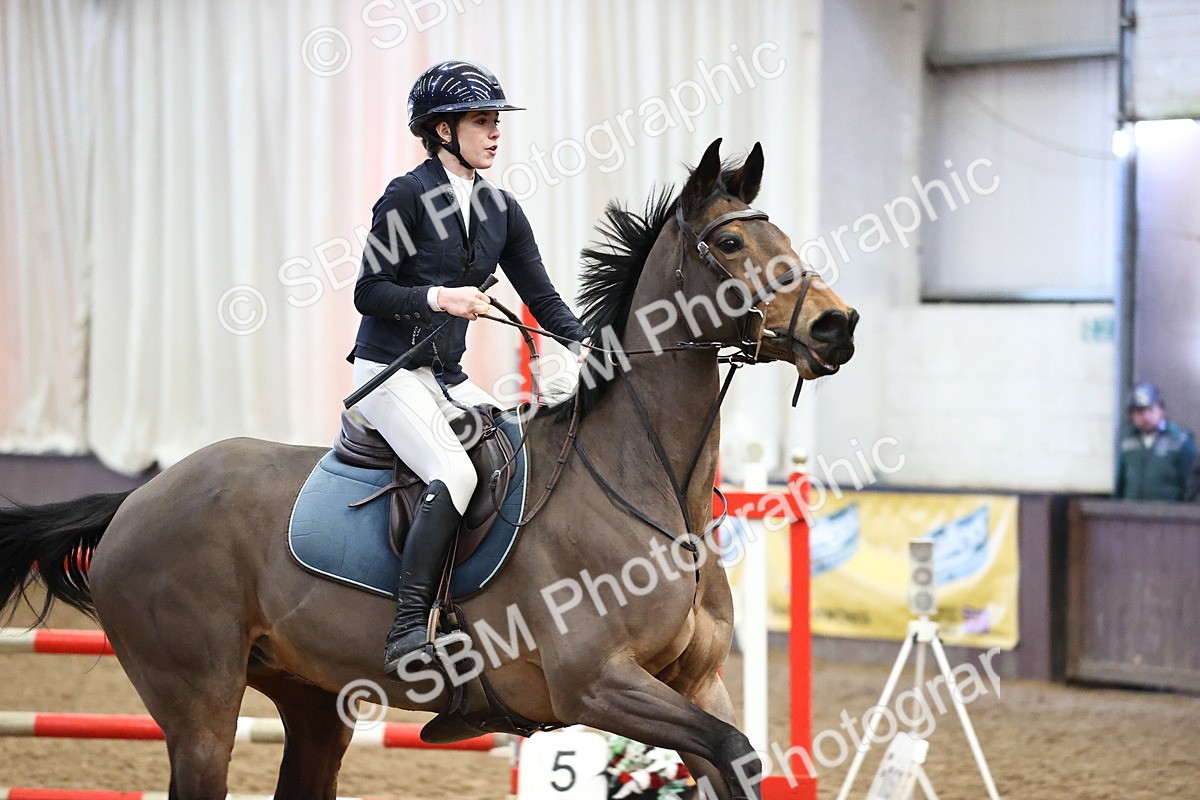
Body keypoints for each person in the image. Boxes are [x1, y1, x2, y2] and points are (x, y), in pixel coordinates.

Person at [348, 60, 589, 676]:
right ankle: (407, 630)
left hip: (445, 377)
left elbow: (542, 293)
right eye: (482, 122)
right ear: (442, 131)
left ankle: (479, 606)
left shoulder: (501, 209)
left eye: (495, 122)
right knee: (454, 473)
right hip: (388, 372)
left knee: (519, 455)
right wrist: (439, 297)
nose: (495, 132)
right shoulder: (406, 196)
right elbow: (369, 292)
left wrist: (592, 346)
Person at [1115, 382, 1197, 501]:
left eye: (1150, 410)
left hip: (1168, 515)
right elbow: (1121, 483)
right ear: (1132, 415)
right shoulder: (1127, 441)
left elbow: (1192, 485)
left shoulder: (1180, 440)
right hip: (1132, 514)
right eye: (1139, 412)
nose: (1145, 416)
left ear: (1161, 410)